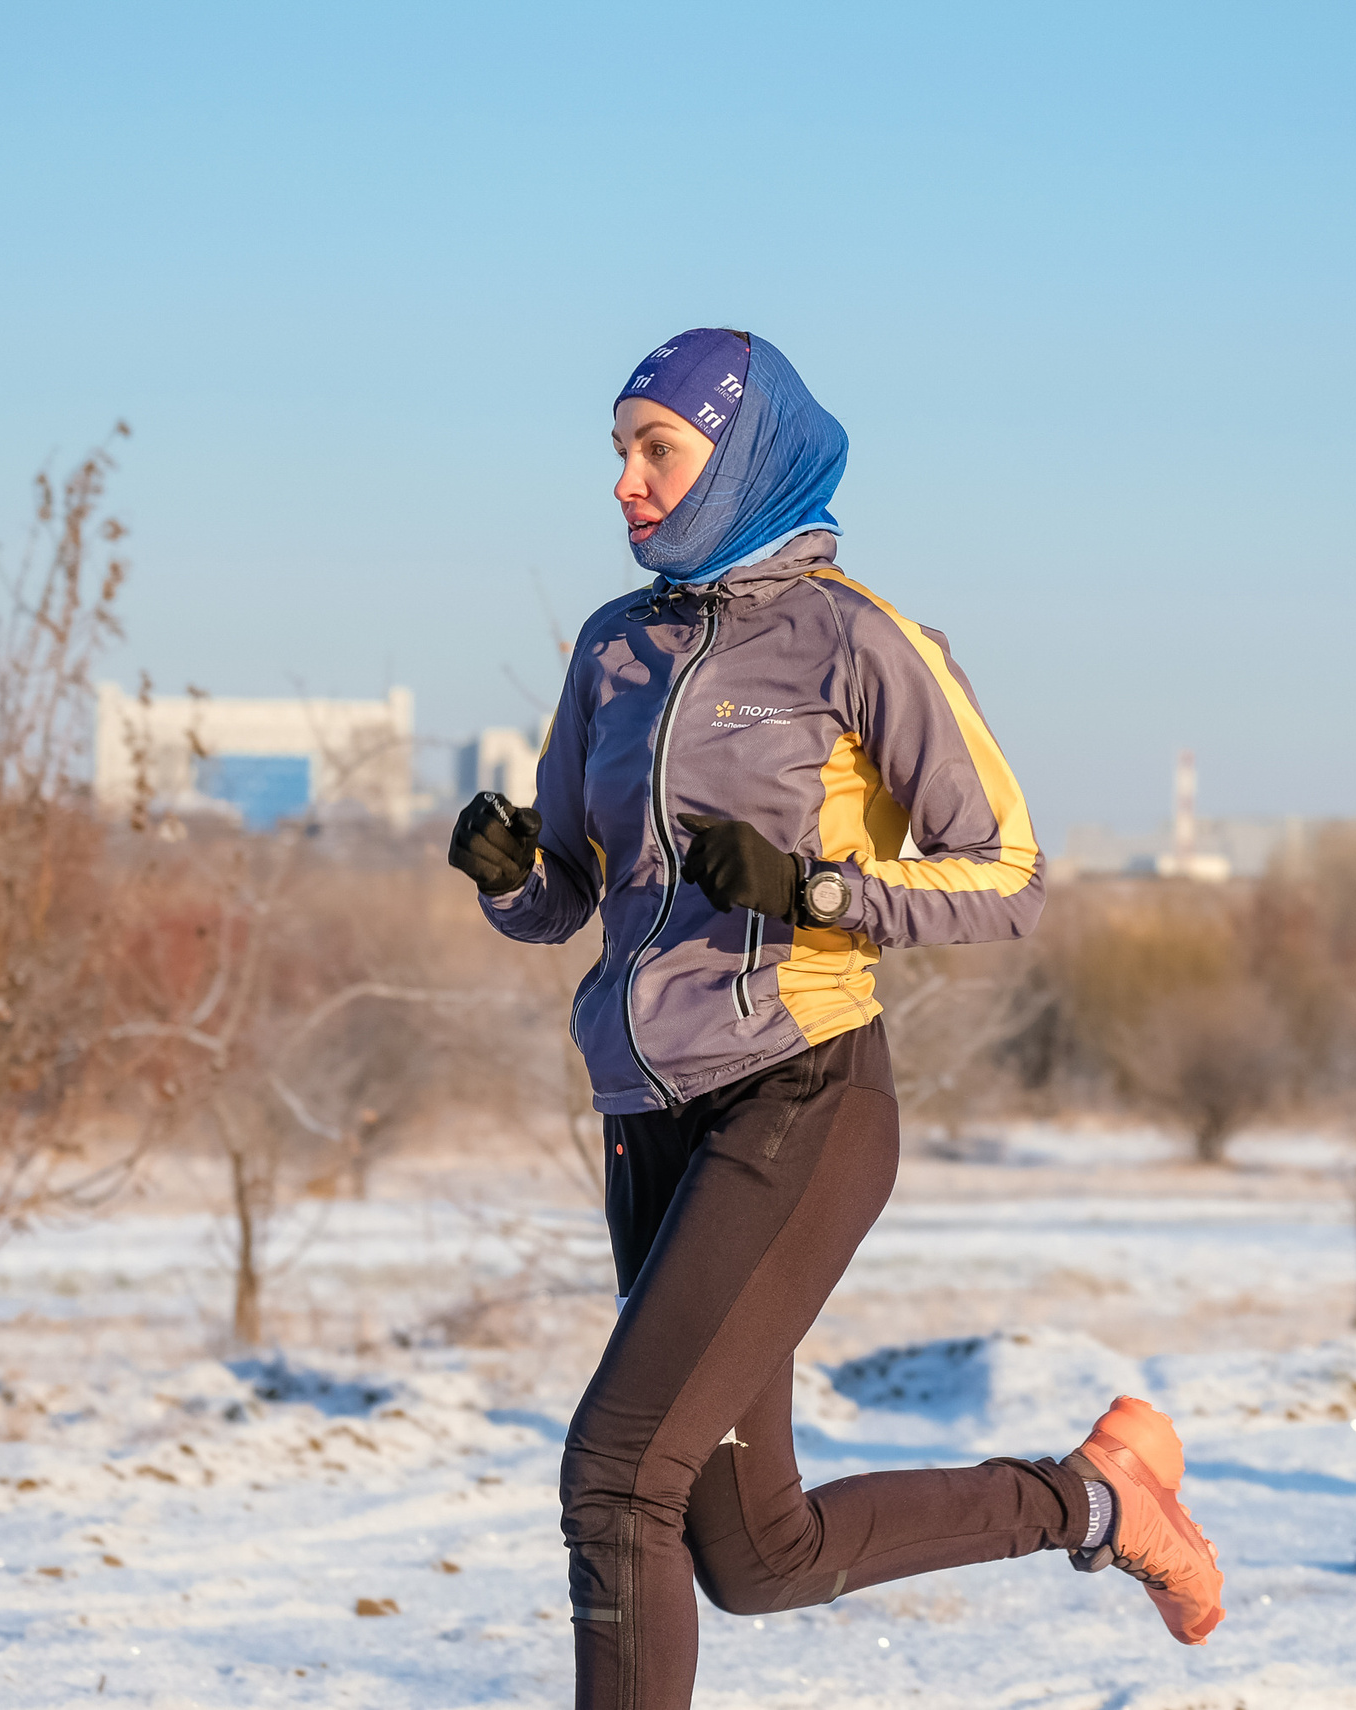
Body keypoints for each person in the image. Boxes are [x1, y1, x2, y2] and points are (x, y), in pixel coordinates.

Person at [447, 328, 1224, 1708]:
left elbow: (1008, 875)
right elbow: (572, 893)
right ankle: (1100, 1501)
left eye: (656, 450)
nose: (623, 483)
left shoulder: (857, 639)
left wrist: (817, 887)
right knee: (751, 1549)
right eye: (618, 454)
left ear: (739, 456)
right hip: (649, 1123)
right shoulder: (614, 651)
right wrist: (515, 878)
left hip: (801, 1096)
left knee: (618, 1476)